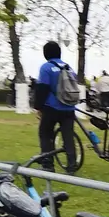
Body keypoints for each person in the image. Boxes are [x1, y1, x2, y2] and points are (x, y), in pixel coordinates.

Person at [32, 41, 79, 171]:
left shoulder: (46, 67)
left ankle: (48, 164)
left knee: (46, 134)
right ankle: (72, 165)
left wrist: (38, 107)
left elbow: (42, 88)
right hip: (69, 108)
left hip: (52, 107)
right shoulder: (69, 68)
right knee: (68, 137)